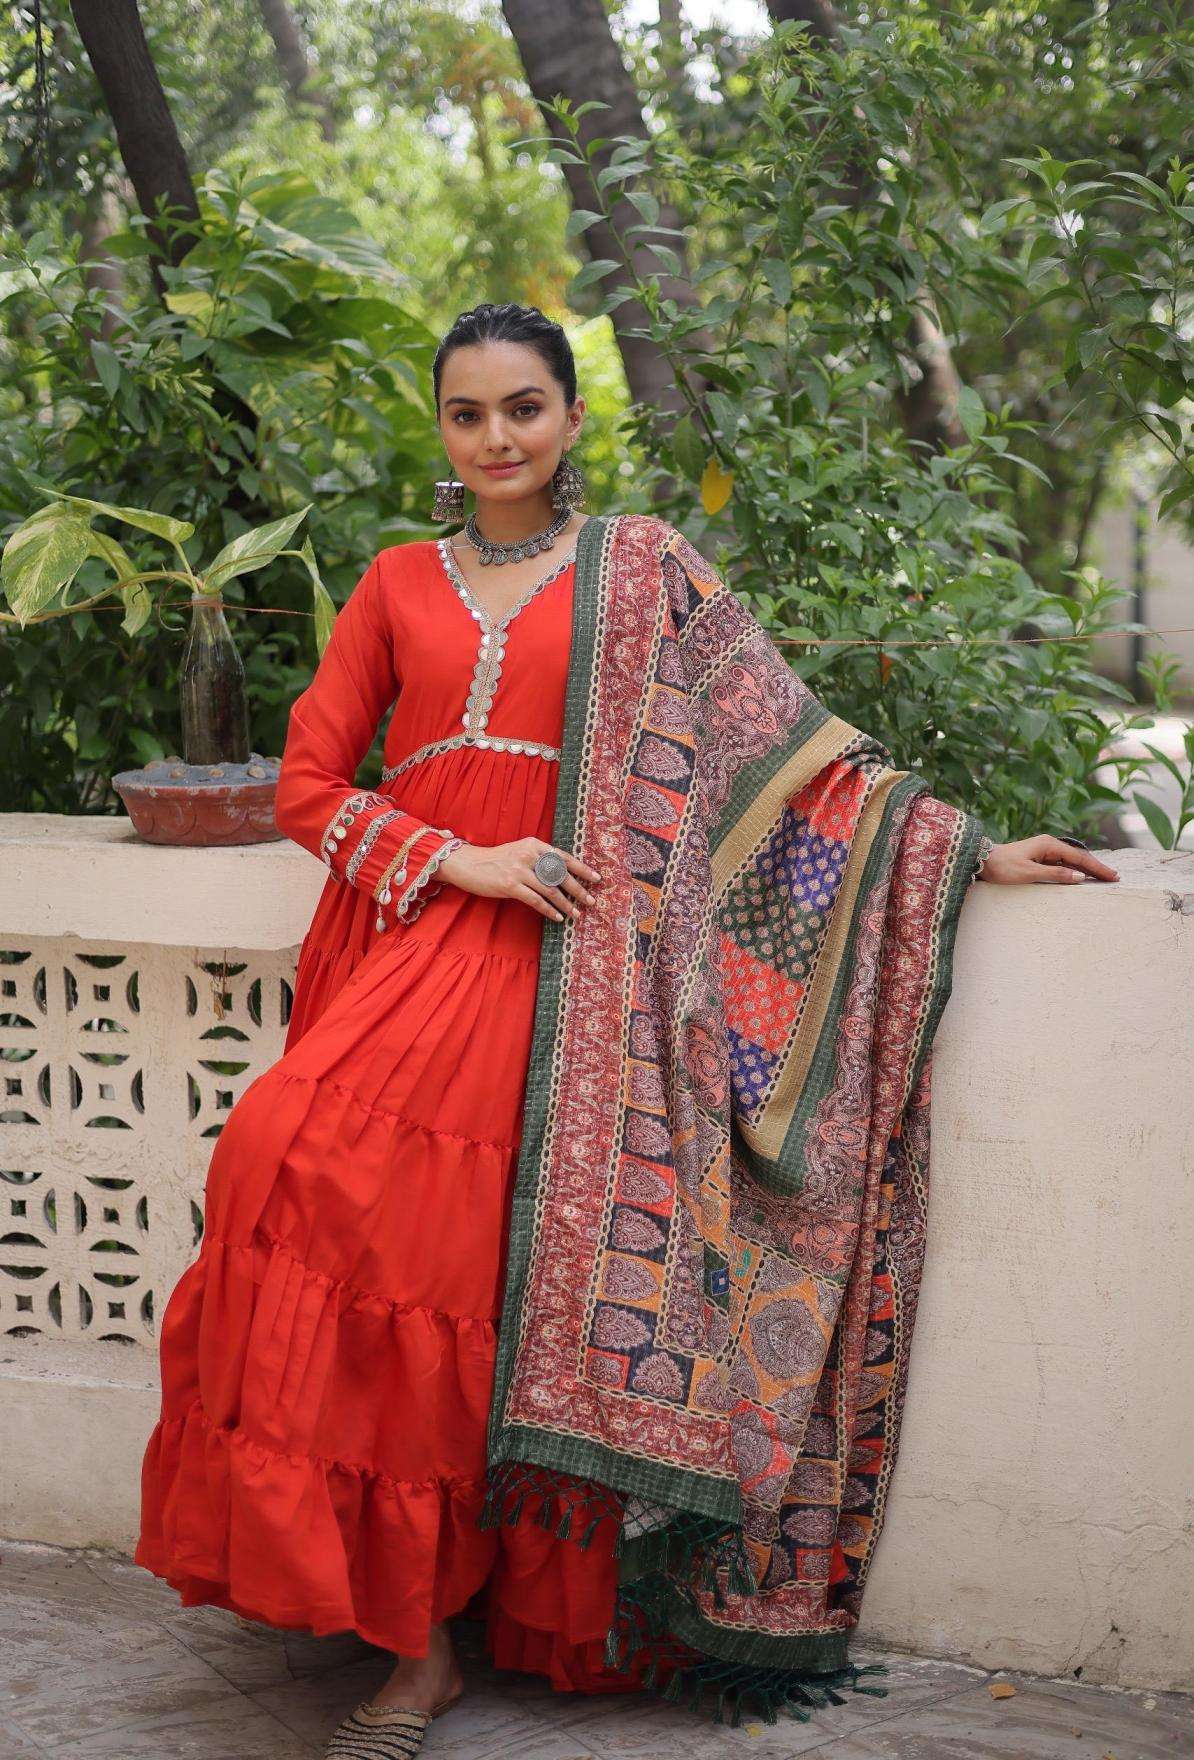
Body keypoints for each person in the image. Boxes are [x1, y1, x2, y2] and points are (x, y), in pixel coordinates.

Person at [134, 301, 1117, 1758]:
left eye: (523, 407)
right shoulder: (395, 581)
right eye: (468, 413)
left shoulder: (644, 564)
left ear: (572, 416)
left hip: (583, 973)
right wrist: (460, 860)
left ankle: (439, 1647)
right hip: (432, 936)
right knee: (285, 1157)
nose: (497, 437)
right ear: (442, 427)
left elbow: (790, 753)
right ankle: (402, 1629)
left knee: (448, 1275)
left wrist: (963, 850)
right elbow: (306, 785)